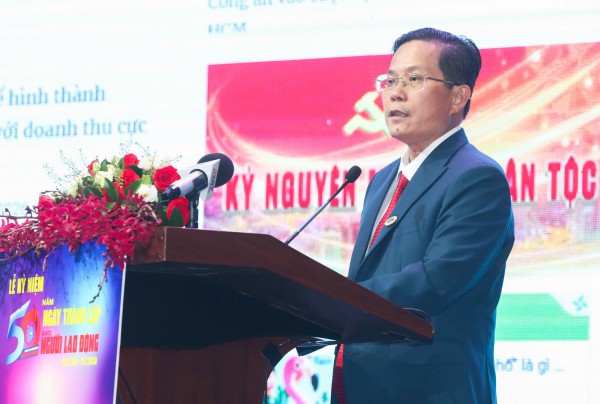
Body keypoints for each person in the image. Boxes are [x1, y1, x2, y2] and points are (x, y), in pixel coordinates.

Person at [332, 28, 515, 403]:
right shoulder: (382, 181)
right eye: (390, 80)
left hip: (429, 391)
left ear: (458, 97)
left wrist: (329, 298)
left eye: (413, 79)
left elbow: (435, 282)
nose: (394, 93)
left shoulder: (477, 178)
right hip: (360, 385)